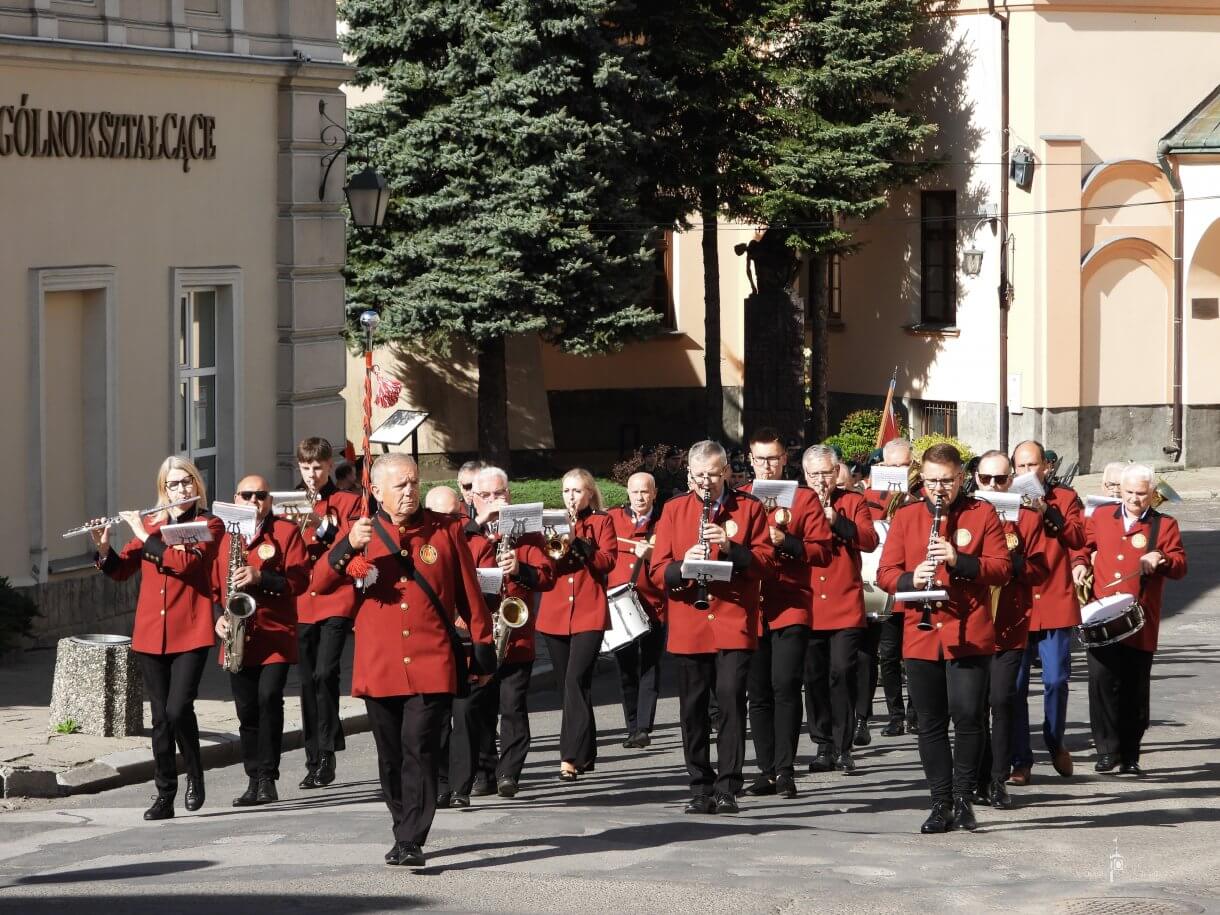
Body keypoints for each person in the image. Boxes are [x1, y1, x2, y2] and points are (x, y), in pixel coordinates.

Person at [317, 453, 494, 868]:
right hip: (379, 664)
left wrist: (483, 652)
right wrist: (348, 545)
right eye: (400, 485)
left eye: (414, 483)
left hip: (432, 661)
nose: (410, 491)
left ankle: (413, 836)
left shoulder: (446, 530)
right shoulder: (360, 531)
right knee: (391, 754)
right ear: (375, 491)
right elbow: (319, 583)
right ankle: (402, 824)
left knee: (421, 748)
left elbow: (471, 596)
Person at [877, 443, 1011, 833]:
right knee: (931, 722)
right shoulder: (906, 516)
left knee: (969, 716)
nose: (939, 490)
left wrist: (958, 560)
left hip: (968, 631)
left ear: (961, 479)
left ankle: (965, 796)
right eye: (932, 481)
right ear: (923, 478)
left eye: (947, 482)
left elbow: (1001, 569)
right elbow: (885, 573)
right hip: (921, 632)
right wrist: (909, 579)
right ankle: (940, 803)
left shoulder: (981, 512)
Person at [90, 457, 224, 820]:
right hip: (150, 633)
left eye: (186, 483)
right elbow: (121, 571)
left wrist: (146, 533)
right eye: (173, 484)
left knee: (179, 709)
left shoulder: (207, 523)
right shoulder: (153, 524)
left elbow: (187, 566)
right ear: (163, 489)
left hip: (191, 632)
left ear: (197, 485)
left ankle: (195, 774)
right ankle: (165, 794)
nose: (180, 490)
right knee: (161, 718)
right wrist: (103, 548)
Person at [651, 440, 776, 815]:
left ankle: (728, 787)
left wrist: (733, 548)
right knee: (692, 709)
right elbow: (657, 571)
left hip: (733, 620)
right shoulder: (673, 510)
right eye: (699, 475)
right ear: (689, 473)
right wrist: (682, 564)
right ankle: (700, 786)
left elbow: (766, 563)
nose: (706, 482)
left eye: (713, 474)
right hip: (690, 623)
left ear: (727, 472)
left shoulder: (749, 508)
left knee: (731, 700)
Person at [451, 466, 557, 802]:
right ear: (474, 498)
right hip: (480, 634)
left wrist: (520, 569)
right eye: (487, 495)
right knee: (481, 708)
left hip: (516, 634)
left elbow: (546, 577)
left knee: (513, 706)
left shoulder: (528, 534)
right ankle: (484, 771)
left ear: (509, 495)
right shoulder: (464, 533)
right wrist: (481, 526)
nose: (495, 501)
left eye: (500, 494)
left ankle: (509, 772)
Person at [1076, 463, 1187, 775]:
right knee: (1101, 683)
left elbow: (1180, 566)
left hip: (1140, 620)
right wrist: (1080, 564)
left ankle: (1130, 753)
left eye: (1142, 493)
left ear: (1152, 494)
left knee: (1134, 689)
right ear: (1119, 491)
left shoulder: (1164, 525)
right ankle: (1107, 750)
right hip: (1101, 616)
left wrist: (1161, 558)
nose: (1135, 499)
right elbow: (1083, 547)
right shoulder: (1100, 517)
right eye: (1129, 493)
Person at [742, 429, 832, 798]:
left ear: (784, 460)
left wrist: (788, 542)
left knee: (785, 686)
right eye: (760, 459)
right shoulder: (741, 498)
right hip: (751, 606)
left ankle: (785, 769)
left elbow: (822, 551)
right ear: (750, 460)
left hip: (791, 603)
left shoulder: (804, 498)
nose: (767, 465)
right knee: (758, 691)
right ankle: (765, 769)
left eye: (773, 458)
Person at [214, 476, 309, 806]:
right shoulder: (224, 535)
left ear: (270, 499)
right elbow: (215, 586)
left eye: (261, 495)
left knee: (269, 698)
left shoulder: (285, 531)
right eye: (247, 494)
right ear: (235, 497)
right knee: (246, 709)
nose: (254, 500)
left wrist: (261, 577)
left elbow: (299, 580)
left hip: (275, 634)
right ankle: (253, 778)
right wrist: (220, 617)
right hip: (239, 635)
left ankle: (268, 777)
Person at [971, 451, 1047, 809]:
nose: (992, 486)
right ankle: (976, 776)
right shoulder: (966, 515)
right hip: (970, 625)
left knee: (1002, 702)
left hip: (1009, 626)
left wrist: (1013, 562)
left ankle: (998, 778)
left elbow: (1039, 571)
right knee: (972, 707)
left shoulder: (1028, 520)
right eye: (986, 479)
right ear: (975, 479)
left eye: (1000, 480)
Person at [1009, 440, 1087, 785]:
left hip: (1055, 600)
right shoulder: (1006, 501)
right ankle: (1021, 760)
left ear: (1046, 467)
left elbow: (1077, 538)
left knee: (1056, 679)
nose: (1026, 473)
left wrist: (1047, 512)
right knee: (1016, 686)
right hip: (1019, 605)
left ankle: (1055, 741)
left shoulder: (1066, 498)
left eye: (1032, 466)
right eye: (1020, 467)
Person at [535, 468, 617, 781]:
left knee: (574, 681)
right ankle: (586, 753)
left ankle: (568, 757)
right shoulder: (549, 523)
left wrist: (580, 544)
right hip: (555, 614)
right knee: (572, 687)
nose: (572, 497)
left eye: (578, 491)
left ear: (589, 493)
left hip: (588, 612)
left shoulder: (602, 521)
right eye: (567, 491)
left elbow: (608, 562)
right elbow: (543, 564)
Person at [802, 445, 878, 774]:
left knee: (842, 672)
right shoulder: (798, 502)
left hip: (844, 599)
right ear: (805, 476)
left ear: (837, 473)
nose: (821, 480)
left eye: (826, 473)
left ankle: (844, 744)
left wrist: (837, 521)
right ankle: (823, 743)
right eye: (814, 474)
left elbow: (869, 539)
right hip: (808, 600)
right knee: (815, 676)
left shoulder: (853, 501)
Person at [293, 437, 363, 791]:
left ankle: (327, 753)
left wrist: (320, 525)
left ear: (328, 464)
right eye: (305, 468)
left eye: (317, 467)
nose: (311, 474)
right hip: (302, 600)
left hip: (336, 597)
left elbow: (349, 544)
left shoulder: (348, 501)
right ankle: (315, 757)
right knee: (308, 681)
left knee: (326, 672)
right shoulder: (288, 503)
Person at [859, 438, 917, 738]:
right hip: (885, 582)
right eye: (893, 467)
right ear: (882, 467)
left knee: (915, 653)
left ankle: (915, 711)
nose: (900, 472)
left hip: (915, 580)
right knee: (889, 653)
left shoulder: (921, 494)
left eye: (905, 466)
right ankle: (895, 714)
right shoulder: (868, 496)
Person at [606, 472, 668, 749]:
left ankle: (644, 727)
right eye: (634, 492)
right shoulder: (613, 519)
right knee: (626, 668)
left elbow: (674, 557)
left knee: (650, 666)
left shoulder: (666, 520)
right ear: (627, 493)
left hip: (655, 605)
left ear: (654, 493)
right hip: (619, 607)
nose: (640, 498)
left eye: (645, 492)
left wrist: (652, 554)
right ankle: (632, 725)